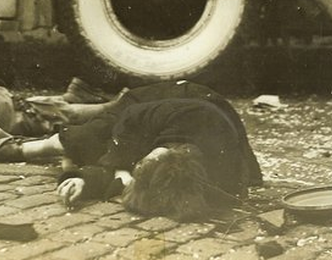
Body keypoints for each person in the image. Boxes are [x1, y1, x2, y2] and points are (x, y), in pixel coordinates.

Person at [20, 81, 263, 221]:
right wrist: (115, 168)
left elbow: (129, 182)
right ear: (156, 153)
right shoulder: (168, 118)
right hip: (160, 99)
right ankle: (21, 148)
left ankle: (81, 107)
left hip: (197, 121)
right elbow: (127, 125)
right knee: (84, 137)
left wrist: (83, 180)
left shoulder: (224, 183)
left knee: (99, 153)